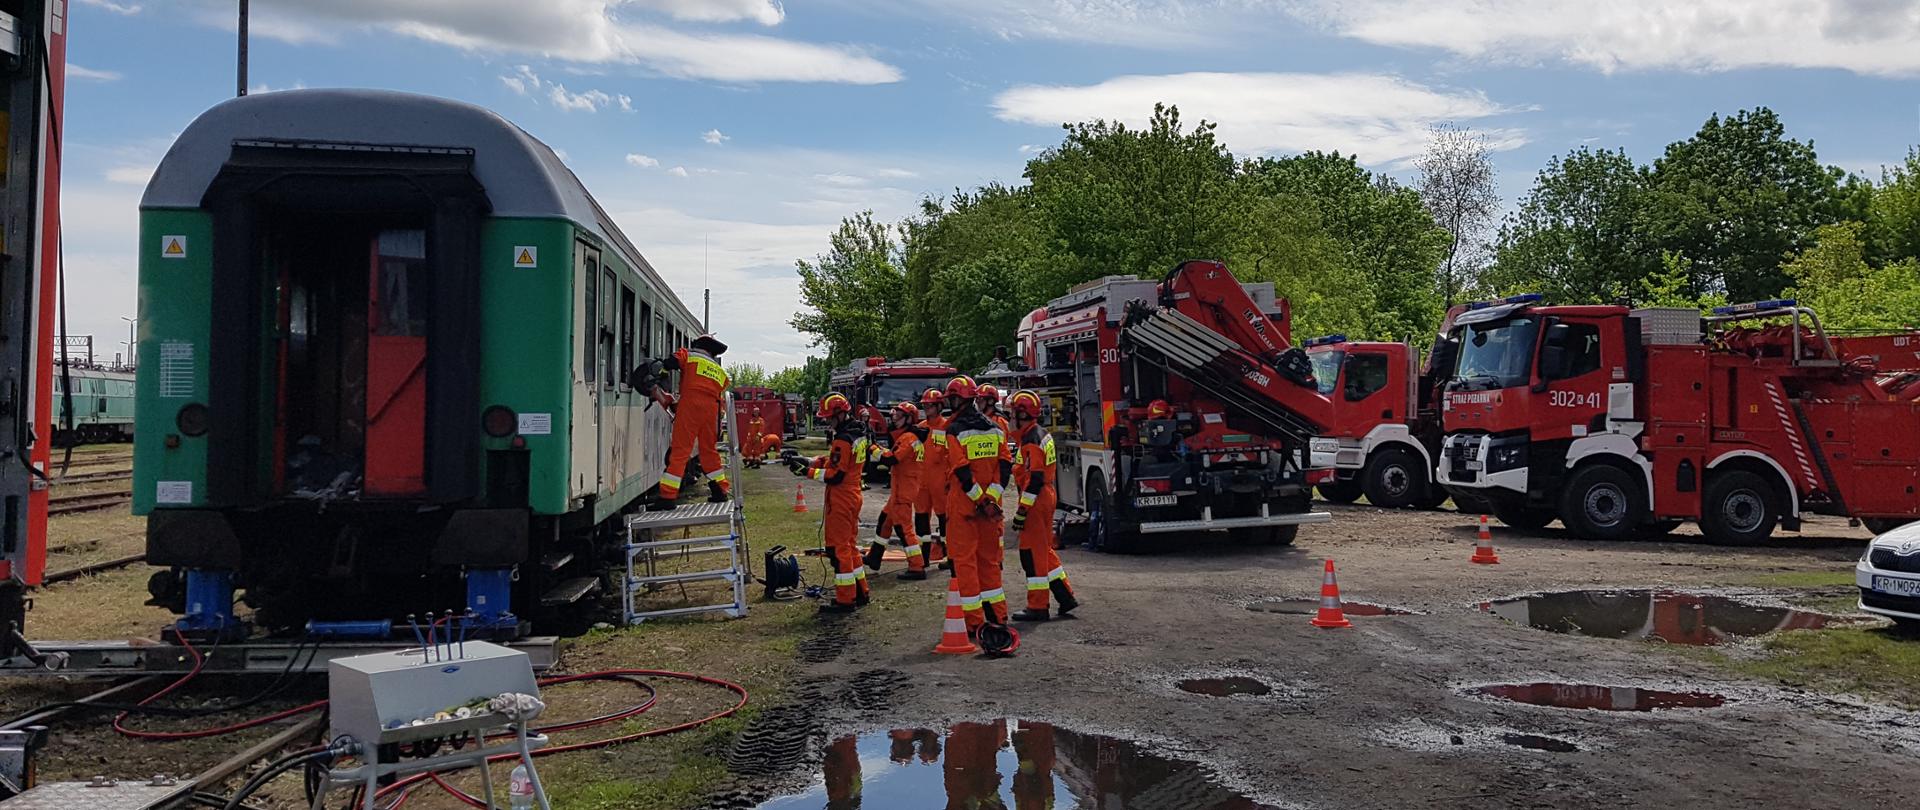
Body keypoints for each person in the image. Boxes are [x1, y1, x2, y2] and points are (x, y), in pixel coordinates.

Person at [787, 394, 870, 613]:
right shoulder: (857, 433)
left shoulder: (843, 439)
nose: (828, 423)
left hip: (841, 498)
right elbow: (836, 460)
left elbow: (835, 475)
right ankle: (861, 591)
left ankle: (845, 599)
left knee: (838, 550)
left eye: (830, 418)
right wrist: (807, 460)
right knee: (850, 547)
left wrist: (806, 471)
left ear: (841, 415)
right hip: (853, 495)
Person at [943, 376, 1012, 634]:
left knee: (965, 563)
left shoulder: (955, 430)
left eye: (951, 398)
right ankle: (998, 617)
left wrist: (979, 499)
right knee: (989, 562)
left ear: (958, 399)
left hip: (965, 509)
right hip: (989, 510)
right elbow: (1005, 466)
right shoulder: (994, 428)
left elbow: (961, 471)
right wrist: (991, 498)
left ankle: (974, 623)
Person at [1008, 391, 1079, 621]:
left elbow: (1035, 478)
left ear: (1021, 413)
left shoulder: (1032, 440)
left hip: (1036, 500)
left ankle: (1038, 606)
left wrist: (1021, 511)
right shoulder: (1039, 434)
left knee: (1032, 555)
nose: (1010, 418)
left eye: (1013, 413)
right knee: (1044, 550)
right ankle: (1065, 595)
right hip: (1044, 496)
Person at [647, 334, 732, 508]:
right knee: (709, 451)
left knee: (680, 451)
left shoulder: (688, 355)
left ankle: (668, 497)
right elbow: (720, 388)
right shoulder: (719, 371)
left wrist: (660, 373)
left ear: (697, 345)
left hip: (690, 407)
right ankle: (719, 491)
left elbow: (670, 363)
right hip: (712, 411)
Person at [873, 401, 929, 580]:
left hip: (903, 490)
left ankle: (917, 566)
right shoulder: (909, 437)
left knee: (903, 528)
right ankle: (875, 556)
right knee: (885, 521)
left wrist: (873, 449)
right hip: (902, 487)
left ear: (908, 419)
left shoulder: (908, 438)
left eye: (898, 415)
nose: (894, 418)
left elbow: (892, 459)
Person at [917, 387, 950, 566]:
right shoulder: (920, 428)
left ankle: (947, 553)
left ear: (939, 407)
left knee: (944, 517)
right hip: (922, 481)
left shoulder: (947, 426)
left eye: (930, 405)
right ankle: (923, 555)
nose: (927, 409)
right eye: (925, 405)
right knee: (921, 518)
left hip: (940, 480)